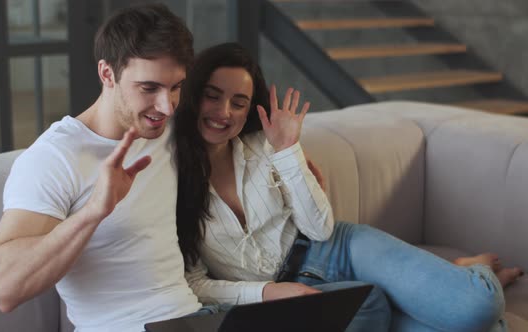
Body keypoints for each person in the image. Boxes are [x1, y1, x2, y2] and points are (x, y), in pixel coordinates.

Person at [174, 42, 523, 332]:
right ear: (193, 95)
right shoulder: (170, 179)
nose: (224, 112)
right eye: (213, 96)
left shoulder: (264, 147)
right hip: (296, 293)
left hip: (338, 249)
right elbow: (197, 284)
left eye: (239, 102)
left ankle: (471, 273)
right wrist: (268, 293)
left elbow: (320, 228)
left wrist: (287, 150)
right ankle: (453, 276)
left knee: (475, 307)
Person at [0, 5, 201, 331]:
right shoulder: (54, 158)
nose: (166, 106)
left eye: (175, 87)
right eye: (149, 88)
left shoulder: (164, 128)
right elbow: (4, 290)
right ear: (107, 74)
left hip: (189, 317)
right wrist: (93, 212)